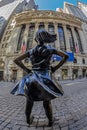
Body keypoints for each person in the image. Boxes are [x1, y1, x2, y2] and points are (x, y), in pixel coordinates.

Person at [11, 29, 68, 127]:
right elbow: (66, 56)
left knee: (29, 101)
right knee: (47, 101)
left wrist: (27, 70)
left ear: (36, 39)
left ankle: (28, 120)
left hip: (32, 78)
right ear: (45, 38)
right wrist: (54, 68)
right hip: (45, 77)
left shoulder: (31, 51)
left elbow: (16, 60)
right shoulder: (50, 49)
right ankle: (50, 121)